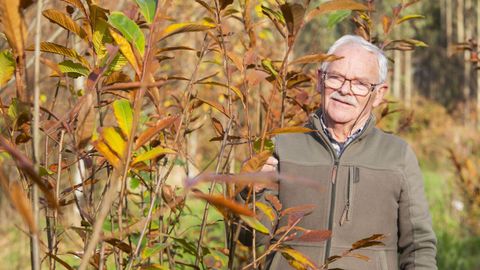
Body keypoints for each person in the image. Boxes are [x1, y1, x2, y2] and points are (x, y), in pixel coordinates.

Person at [243, 35, 437, 269]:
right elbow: (249, 239)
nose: (345, 90)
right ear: (319, 80)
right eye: (335, 78)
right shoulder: (282, 146)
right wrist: (250, 194)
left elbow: (419, 247)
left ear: (379, 94)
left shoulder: (397, 155)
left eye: (360, 84)